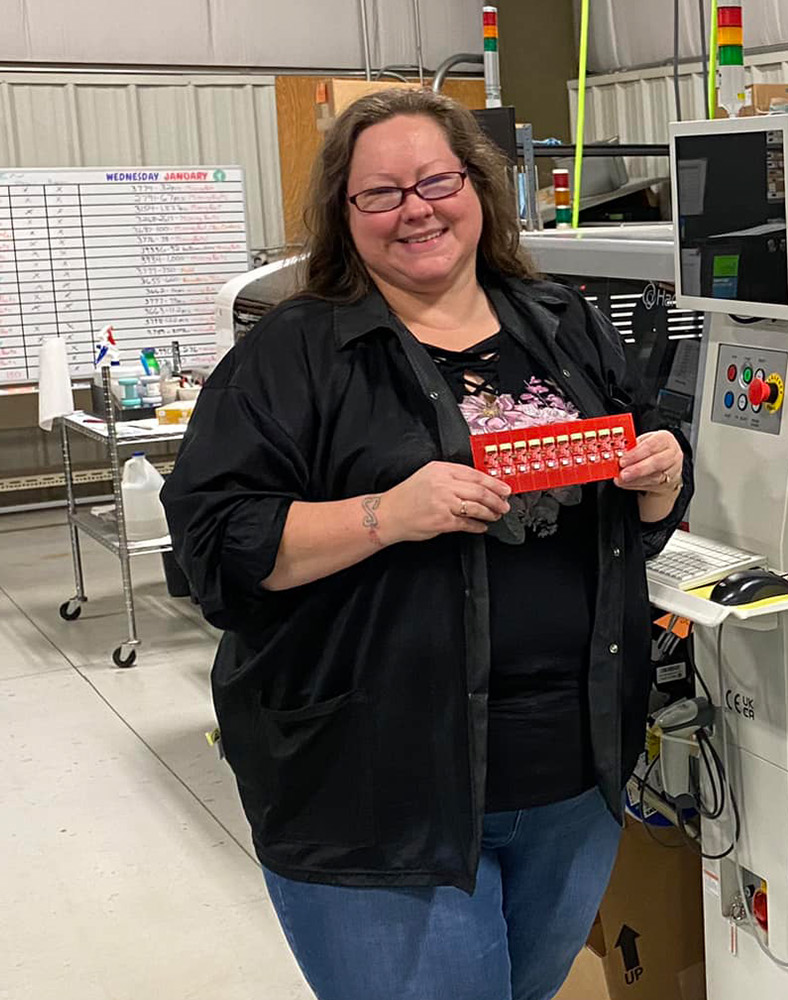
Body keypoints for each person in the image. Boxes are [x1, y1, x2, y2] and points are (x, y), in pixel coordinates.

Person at [162, 88, 691, 1000]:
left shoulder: (558, 322)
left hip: (571, 776)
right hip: (379, 793)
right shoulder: (296, 353)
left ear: (477, 188)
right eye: (382, 193)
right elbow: (214, 545)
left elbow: (630, 522)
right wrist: (386, 514)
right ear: (345, 215)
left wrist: (662, 482)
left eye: (437, 180)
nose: (417, 208)